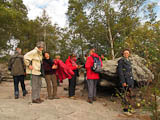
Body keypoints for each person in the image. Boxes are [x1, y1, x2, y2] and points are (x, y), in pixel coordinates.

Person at [117, 49, 134, 115]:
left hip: (130, 80)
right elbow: (120, 72)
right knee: (125, 95)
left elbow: (130, 72)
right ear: (123, 54)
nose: (126, 54)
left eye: (127, 53)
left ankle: (130, 109)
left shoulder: (129, 61)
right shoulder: (121, 61)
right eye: (125, 53)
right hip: (125, 80)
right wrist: (123, 81)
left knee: (130, 95)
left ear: (129, 54)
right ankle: (125, 110)